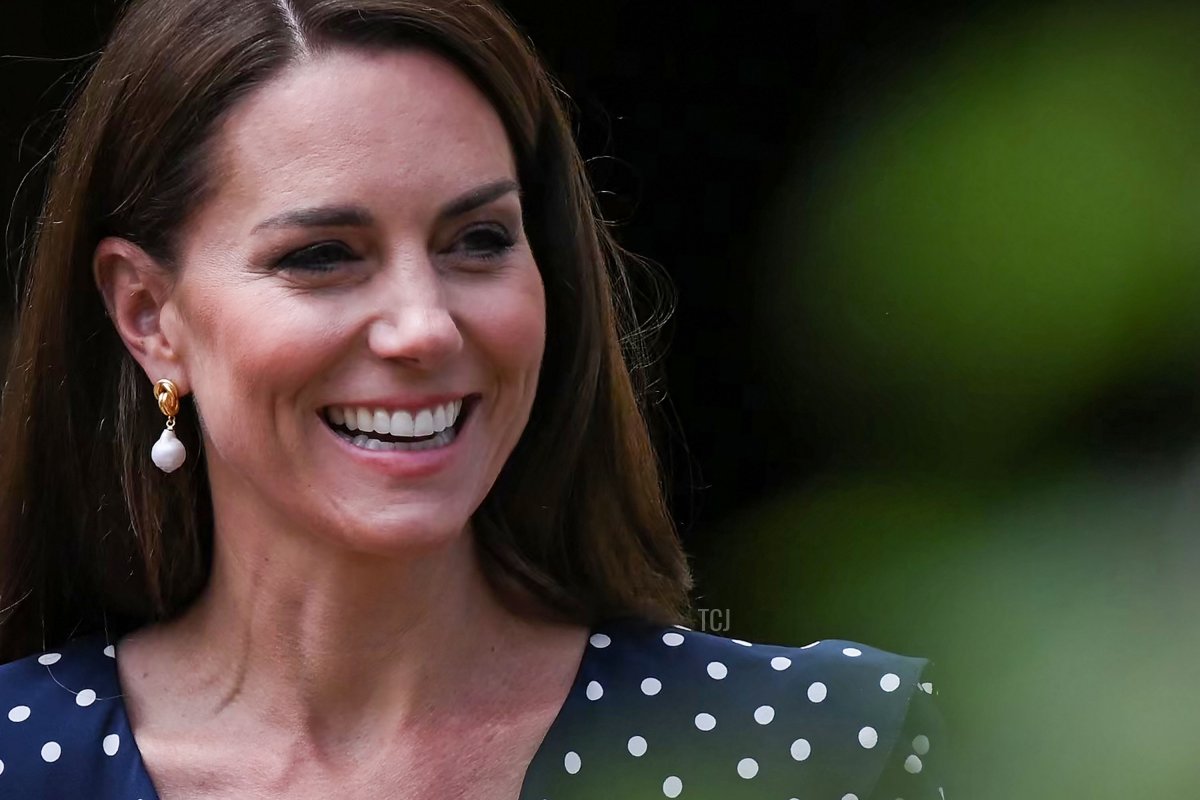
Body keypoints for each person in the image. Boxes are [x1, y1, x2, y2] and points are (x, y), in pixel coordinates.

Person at [0, 0, 948, 797]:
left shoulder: (816, 752)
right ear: (149, 314)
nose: (425, 327)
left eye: (479, 240)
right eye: (323, 256)